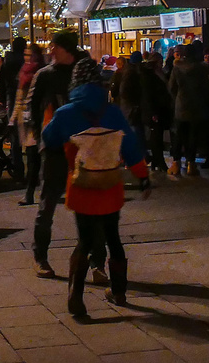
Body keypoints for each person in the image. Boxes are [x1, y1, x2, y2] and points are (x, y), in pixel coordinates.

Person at [41, 57, 150, 319]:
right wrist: (142, 176)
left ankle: (76, 300)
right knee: (113, 237)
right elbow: (131, 146)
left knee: (85, 240)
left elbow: (49, 138)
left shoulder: (66, 113)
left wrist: (51, 118)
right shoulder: (111, 112)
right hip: (110, 186)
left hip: (82, 186)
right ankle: (119, 292)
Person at [27, 30, 80, 276]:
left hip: (81, 146)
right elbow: (32, 108)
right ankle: (41, 256)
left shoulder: (82, 71)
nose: (50, 51)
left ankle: (92, 259)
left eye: (54, 47)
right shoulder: (44, 75)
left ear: (66, 49)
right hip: (55, 146)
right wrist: (41, 138)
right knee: (48, 202)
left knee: (86, 204)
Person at [169, 44, 209, 177]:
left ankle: (176, 164)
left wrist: (178, 98)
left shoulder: (177, 68)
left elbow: (171, 87)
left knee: (178, 135)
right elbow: (206, 87)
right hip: (196, 106)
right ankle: (191, 165)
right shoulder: (201, 68)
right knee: (193, 136)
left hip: (181, 106)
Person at [12, 42, 45, 204]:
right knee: (33, 156)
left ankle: (32, 192)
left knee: (35, 157)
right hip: (25, 119)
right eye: (25, 55)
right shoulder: (24, 71)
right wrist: (13, 117)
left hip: (38, 119)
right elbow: (19, 98)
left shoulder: (41, 72)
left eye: (29, 55)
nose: (27, 58)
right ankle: (32, 190)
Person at [0, 37, 29, 180]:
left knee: (15, 136)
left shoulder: (7, 61)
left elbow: (2, 81)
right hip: (27, 98)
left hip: (12, 98)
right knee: (30, 135)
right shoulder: (27, 61)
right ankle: (32, 170)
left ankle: (18, 170)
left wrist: (2, 99)